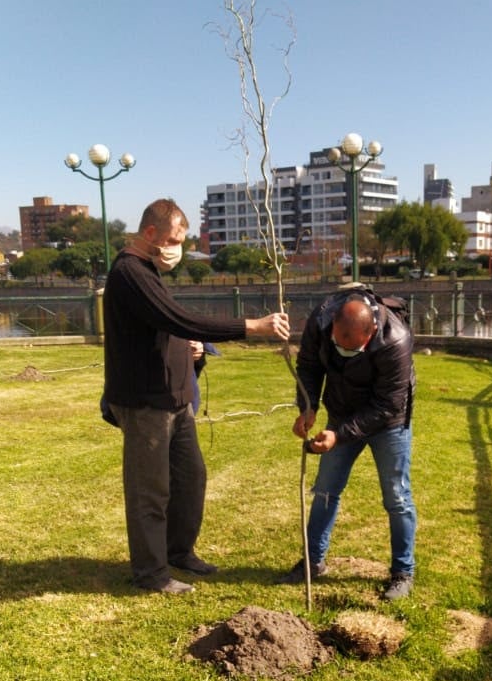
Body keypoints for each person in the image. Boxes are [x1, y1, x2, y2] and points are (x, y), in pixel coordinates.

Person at [102, 197, 289, 595]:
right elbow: (175, 318)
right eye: (172, 239)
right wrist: (252, 325)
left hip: (176, 397)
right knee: (150, 490)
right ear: (149, 233)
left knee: (191, 478)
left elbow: (164, 326)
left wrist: (191, 345)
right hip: (145, 402)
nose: (176, 249)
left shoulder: (149, 271)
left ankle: (179, 551)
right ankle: (151, 574)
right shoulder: (130, 272)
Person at [280, 287, 417, 601]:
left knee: (397, 497)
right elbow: (309, 366)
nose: (342, 349)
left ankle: (402, 572)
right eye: (338, 343)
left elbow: (387, 405)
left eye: (351, 346)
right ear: (333, 327)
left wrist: (339, 435)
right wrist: (308, 405)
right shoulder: (321, 321)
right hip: (341, 411)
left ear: (369, 335)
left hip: (388, 423)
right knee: (326, 490)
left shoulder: (395, 340)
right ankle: (313, 563)